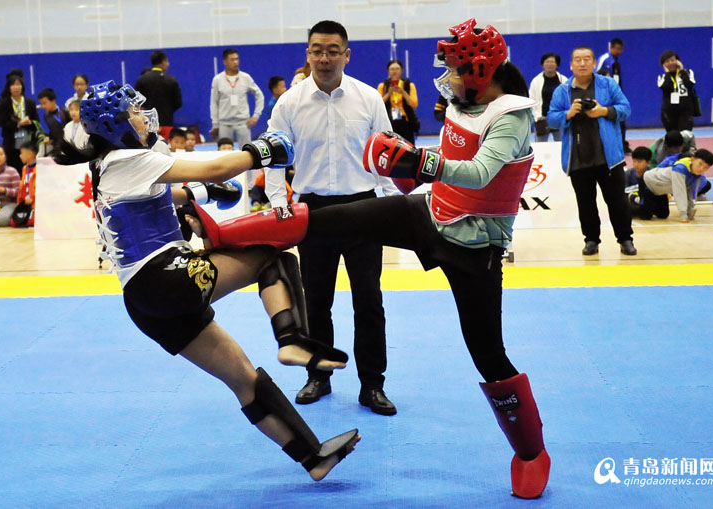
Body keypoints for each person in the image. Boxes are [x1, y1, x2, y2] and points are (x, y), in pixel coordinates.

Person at [204, 18, 550, 499]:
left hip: (475, 247)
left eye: (455, 69)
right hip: (430, 212)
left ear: (479, 71)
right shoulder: (463, 102)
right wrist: (410, 167)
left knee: (487, 353)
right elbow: (445, 159)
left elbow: (479, 172)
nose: (448, 78)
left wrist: (415, 162)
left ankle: (531, 452)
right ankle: (222, 232)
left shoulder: (512, 115)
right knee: (329, 221)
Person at [53, 79, 359, 481]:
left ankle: (313, 459)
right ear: (116, 125)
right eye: (133, 113)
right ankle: (291, 340)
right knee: (271, 255)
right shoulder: (129, 158)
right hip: (165, 277)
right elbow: (217, 165)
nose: (143, 117)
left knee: (243, 378)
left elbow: (161, 195)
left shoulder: (107, 165)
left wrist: (202, 193)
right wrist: (260, 151)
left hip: (144, 302)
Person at [265, 20, 400, 416]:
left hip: (363, 208)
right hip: (314, 212)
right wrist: (278, 202)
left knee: (369, 302)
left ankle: (372, 385)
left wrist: (393, 205)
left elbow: (387, 154)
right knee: (316, 302)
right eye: (317, 50)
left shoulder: (368, 98)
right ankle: (318, 376)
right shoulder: (289, 103)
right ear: (307, 53)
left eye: (332, 51)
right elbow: (272, 157)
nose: (324, 58)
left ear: (346, 55)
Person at [547, 46, 635, 256]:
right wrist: (568, 114)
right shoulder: (562, 91)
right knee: (585, 204)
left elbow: (626, 109)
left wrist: (604, 111)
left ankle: (625, 239)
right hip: (578, 158)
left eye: (587, 59)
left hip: (609, 158)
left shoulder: (608, 84)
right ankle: (591, 240)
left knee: (618, 202)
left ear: (594, 63)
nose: (582, 63)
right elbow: (551, 118)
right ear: (571, 65)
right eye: (577, 60)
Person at [209, 48, 264, 148]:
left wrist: (256, 115)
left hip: (243, 123)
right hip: (224, 123)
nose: (235, 62)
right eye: (232, 59)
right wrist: (215, 124)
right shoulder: (217, 79)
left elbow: (259, 95)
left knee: (247, 150)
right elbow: (214, 103)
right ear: (225, 62)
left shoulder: (245, 77)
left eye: (237, 59)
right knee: (224, 152)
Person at [642, 149, 713, 222]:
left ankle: (649, 205)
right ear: (693, 160)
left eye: (706, 167)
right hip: (647, 183)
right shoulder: (680, 168)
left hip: (660, 191)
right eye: (700, 164)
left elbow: (692, 192)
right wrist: (683, 215)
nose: (701, 169)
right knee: (646, 216)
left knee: (663, 215)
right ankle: (636, 200)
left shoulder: (696, 174)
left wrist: (690, 212)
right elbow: (679, 192)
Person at [0, 73, 41, 172]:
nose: (16, 87)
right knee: (13, 169)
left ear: (22, 86)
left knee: (29, 169)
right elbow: (3, 123)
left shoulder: (30, 103)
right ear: (9, 87)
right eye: (13, 85)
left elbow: (37, 123)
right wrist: (19, 124)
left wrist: (29, 122)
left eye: (18, 84)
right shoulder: (4, 103)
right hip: (11, 142)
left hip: (27, 142)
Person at [135, 50, 183, 141]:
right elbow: (178, 103)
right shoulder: (171, 80)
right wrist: (167, 111)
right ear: (163, 62)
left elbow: (136, 102)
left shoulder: (142, 79)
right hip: (166, 122)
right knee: (165, 146)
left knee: (148, 147)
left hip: (146, 123)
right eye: (167, 61)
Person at [596, 38, 629, 153]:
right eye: (617, 49)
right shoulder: (604, 59)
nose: (619, 51)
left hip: (616, 96)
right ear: (611, 48)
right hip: (606, 98)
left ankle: (622, 145)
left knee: (621, 120)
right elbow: (595, 74)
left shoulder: (616, 62)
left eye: (621, 49)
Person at [378, 59, 419, 143]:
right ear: (388, 71)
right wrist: (388, 94)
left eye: (397, 69)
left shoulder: (409, 85)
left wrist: (403, 92)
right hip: (389, 121)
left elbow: (414, 104)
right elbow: (378, 105)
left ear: (402, 70)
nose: (394, 71)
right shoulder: (383, 86)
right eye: (392, 69)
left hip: (406, 122)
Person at [528, 52, 567, 142]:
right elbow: (532, 100)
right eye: (547, 62)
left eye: (552, 62)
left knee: (561, 144)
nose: (550, 64)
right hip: (542, 119)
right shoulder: (536, 81)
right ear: (542, 64)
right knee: (540, 146)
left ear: (557, 65)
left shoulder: (564, 80)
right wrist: (537, 116)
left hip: (558, 118)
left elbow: (567, 99)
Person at [658, 50, 699, 132]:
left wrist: (682, 70)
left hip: (686, 110)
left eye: (672, 60)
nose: (670, 63)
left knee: (685, 134)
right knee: (672, 135)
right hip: (669, 111)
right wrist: (667, 74)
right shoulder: (662, 77)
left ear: (678, 61)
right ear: (663, 64)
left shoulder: (688, 72)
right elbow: (665, 87)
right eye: (667, 61)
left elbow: (689, 84)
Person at [11, 141, 38, 227]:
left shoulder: (40, 168)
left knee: (31, 222)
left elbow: (41, 188)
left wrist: (33, 198)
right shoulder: (24, 169)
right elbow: (23, 187)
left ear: (30, 155)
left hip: (35, 203)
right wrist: (20, 203)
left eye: (22, 153)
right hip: (25, 203)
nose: (20, 156)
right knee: (14, 222)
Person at [38, 88, 70, 158]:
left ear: (53, 100)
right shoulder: (46, 116)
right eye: (41, 104)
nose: (43, 106)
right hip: (56, 147)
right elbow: (53, 131)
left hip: (69, 146)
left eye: (45, 103)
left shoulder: (65, 112)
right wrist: (49, 138)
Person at [625, 146, 655, 218]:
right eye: (634, 161)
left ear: (648, 162)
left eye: (639, 161)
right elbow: (624, 190)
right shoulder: (628, 173)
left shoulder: (653, 173)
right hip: (633, 201)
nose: (636, 164)